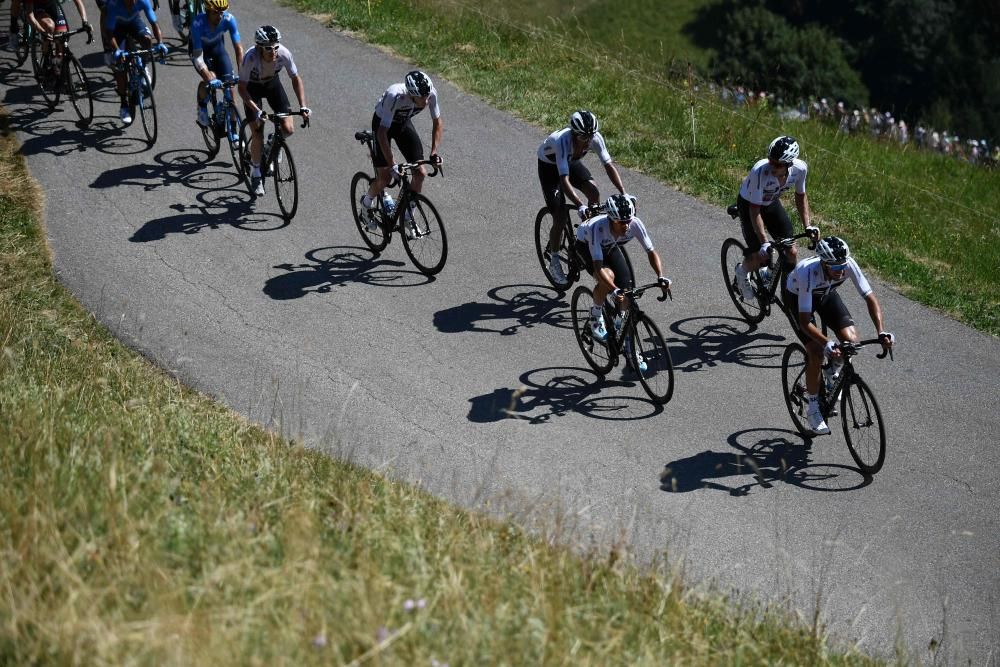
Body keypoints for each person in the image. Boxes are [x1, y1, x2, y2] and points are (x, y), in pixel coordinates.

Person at [785, 236, 895, 435]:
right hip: (798, 297)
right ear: (824, 264)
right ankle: (812, 408)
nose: (842, 272)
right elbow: (804, 322)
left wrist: (881, 331)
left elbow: (870, 298)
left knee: (850, 341)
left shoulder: (846, 264)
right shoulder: (807, 272)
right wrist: (827, 342)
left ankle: (831, 371)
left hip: (825, 294)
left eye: (843, 267)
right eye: (836, 269)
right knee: (816, 351)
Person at [575, 194, 672, 371]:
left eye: (628, 221)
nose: (626, 226)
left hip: (611, 246)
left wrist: (661, 276)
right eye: (621, 223)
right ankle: (596, 316)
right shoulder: (599, 227)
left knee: (627, 294)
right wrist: (612, 290)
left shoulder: (634, 223)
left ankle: (629, 349)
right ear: (611, 219)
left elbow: (651, 252)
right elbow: (597, 266)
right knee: (608, 278)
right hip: (586, 246)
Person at [537, 110, 630, 284]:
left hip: (569, 162)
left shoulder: (595, 137)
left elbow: (608, 166)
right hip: (549, 167)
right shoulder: (562, 142)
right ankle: (555, 259)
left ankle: (589, 235)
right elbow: (564, 181)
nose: (588, 141)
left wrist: (624, 192)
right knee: (560, 216)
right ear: (573, 133)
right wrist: (580, 205)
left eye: (590, 136)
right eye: (583, 137)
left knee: (594, 193)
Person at [732, 135, 818, 302]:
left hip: (770, 202)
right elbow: (755, 210)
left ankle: (789, 292)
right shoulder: (760, 171)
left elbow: (801, 196)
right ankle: (742, 273)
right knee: (760, 254)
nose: (771, 165)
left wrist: (808, 226)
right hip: (749, 204)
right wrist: (764, 242)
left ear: (789, 164)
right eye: (770, 160)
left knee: (791, 251)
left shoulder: (800, 169)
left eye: (777, 164)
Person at [359, 70, 443, 230]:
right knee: (385, 178)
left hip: (402, 124)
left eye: (427, 96)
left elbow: (437, 122)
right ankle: (366, 203)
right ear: (411, 95)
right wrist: (392, 165)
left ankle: (406, 217)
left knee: (420, 173)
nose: (426, 101)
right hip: (382, 126)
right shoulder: (395, 95)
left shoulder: (431, 93)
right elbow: (382, 133)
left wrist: (434, 152)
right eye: (422, 98)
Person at [237, 25, 310, 198]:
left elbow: (295, 78)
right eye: (268, 48)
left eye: (276, 47)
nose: (273, 52)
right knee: (257, 130)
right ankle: (256, 173)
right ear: (259, 48)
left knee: (288, 129)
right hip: (252, 89)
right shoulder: (251, 57)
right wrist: (257, 110)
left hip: (272, 86)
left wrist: (303, 106)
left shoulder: (284, 54)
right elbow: (241, 88)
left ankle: (271, 145)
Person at [105, 0, 168, 124]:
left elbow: (154, 23)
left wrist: (160, 42)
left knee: (147, 40)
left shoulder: (143, 1)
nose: (132, 2)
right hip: (118, 28)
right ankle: (124, 104)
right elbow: (109, 33)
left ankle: (143, 67)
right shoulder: (113, 4)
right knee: (120, 67)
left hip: (134, 22)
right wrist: (117, 50)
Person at [188, 0, 242, 129]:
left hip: (218, 51)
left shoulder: (229, 19)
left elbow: (238, 48)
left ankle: (234, 130)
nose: (219, 16)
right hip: (200, 53)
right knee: (210, 78)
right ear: (207, 11)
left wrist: (242, 71)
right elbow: (198, 57)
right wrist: (207, 75)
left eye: (221, 13)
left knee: (230, 89)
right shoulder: (197, 24)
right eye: (215, 13)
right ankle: (201, 107)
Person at [22, 0, 90, 76]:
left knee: (63, 37)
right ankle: (46, 57)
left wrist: (85, 21)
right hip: (36, 7)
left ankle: (59, 65)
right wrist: (42, 32)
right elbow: (29, 16)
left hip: (52, 4)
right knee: (49, 26)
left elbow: (78, 1)